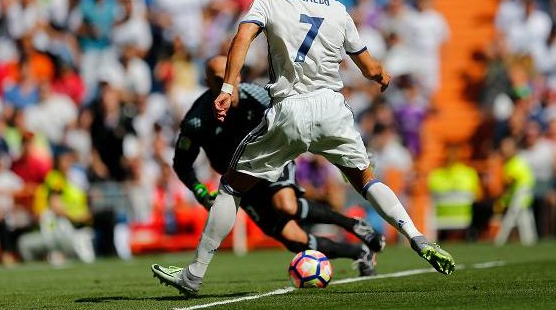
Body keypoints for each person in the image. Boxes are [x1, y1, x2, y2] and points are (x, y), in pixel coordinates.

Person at [152, 0, 455, 296]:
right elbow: (369, 66)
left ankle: (193, 276)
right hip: (332, 109)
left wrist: (228, 85)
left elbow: (242, 38)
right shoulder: (339, 10)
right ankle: (417, 237)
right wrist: (381, 77)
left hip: (289, 109)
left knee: (232, 187)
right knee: (367, 180)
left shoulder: (268, 2)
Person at [154, 55, 384, 278]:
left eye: (230, 75)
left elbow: (302, 116)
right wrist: (199, 190)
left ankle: (353, 226)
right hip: (240, 182)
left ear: (239, 76)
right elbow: (182, 163)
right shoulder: (197, 119)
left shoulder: (259, 97)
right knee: (294, 240)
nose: (226, 83)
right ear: (207, 83)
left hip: (271, 159)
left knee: (286, 205)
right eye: (218, 78)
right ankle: (359, 252)